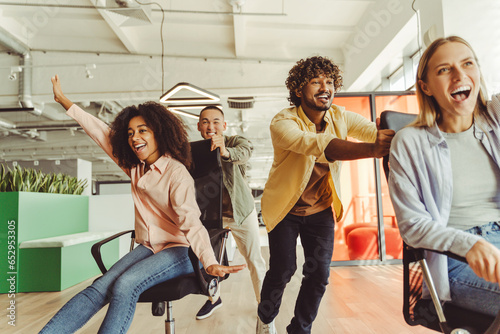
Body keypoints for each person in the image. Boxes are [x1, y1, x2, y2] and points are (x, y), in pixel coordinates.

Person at [39, 75, 246, 334]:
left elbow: (191, 221)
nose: (134, 137)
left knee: (126, 284)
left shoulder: (176, 172)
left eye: (142, 130)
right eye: (130, 132)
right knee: (100, 286)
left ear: (158, 133)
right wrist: (65, 102)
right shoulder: (135, 167)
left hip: (180, 249)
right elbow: (101, 133)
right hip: (149, 246)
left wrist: (209, 260)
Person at [256, 56, 395, 334]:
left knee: (319, 274)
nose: (325, 87)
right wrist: (373, 150)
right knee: (283, 270)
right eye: (316, 81)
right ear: (298, 90)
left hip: (320, 210)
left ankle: (300, 329)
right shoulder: (283, 122)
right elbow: (316, 144)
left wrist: (396, 134)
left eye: (330, 81)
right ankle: (265, 316)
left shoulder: (340, 117)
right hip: (285, 210)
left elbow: (372, 132)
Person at [388, 36, 500, 317]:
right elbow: (412, 225)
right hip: (458, 258)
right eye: (444, 69)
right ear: (425, 87)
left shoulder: (495, 121)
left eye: (467, 63)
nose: (459, 75)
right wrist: (469, 244)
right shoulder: (409, 142)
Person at [195, 106, 267, 319]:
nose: (210, 126)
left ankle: (264, 306)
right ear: (199, 126)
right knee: (209, 261)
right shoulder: (196, 151)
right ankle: (214, 299)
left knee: (254, 259)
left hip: (241, 212)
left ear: (224, 126)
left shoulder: (236, 142)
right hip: (211, 217)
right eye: (205, 122)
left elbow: (243, 153)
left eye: (216, 121)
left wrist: (224, 150)